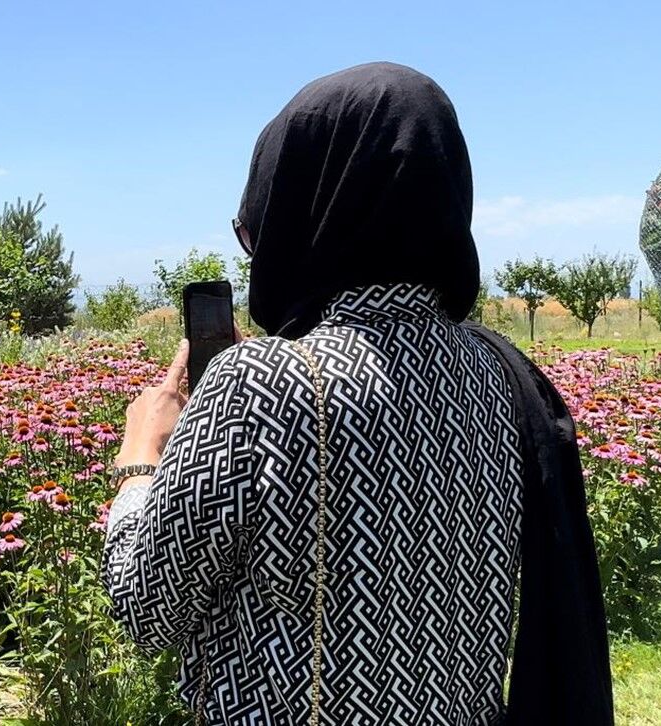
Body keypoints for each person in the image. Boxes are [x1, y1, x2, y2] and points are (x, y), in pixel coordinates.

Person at [102, 62, 612, 725]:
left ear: (303, 210)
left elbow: (147, 612)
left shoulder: (255, 381)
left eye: (256, 223)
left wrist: (142, 457)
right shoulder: (502, 370)